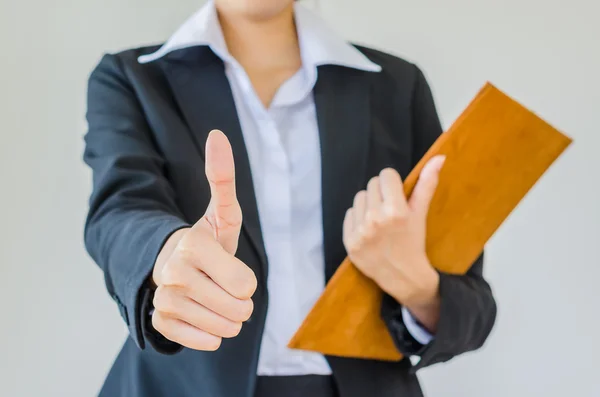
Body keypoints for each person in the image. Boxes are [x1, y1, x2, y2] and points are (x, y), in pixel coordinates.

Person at [83, 0, 497, 396]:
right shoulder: (130, 79)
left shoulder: (397, 87)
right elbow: (119, 210)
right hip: (184, 386)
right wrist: (166, 252)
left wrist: (420, 288)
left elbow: (474, 308)